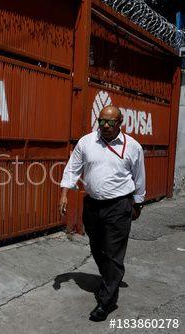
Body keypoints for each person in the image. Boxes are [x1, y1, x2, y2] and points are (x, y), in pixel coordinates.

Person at [59, 105, 146, 322]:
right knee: (97, 247)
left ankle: (106, 301)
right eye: (101, 121)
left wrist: (138, 203)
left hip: (119, 206)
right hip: (93, 206)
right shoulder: (87, 142)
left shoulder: (133, 147)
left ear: (120, 123)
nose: (105, 126)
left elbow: (139, 177)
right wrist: (64, 194)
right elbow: (72, 167)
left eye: (110, 122)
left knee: (114, 252)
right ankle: (110, 277)